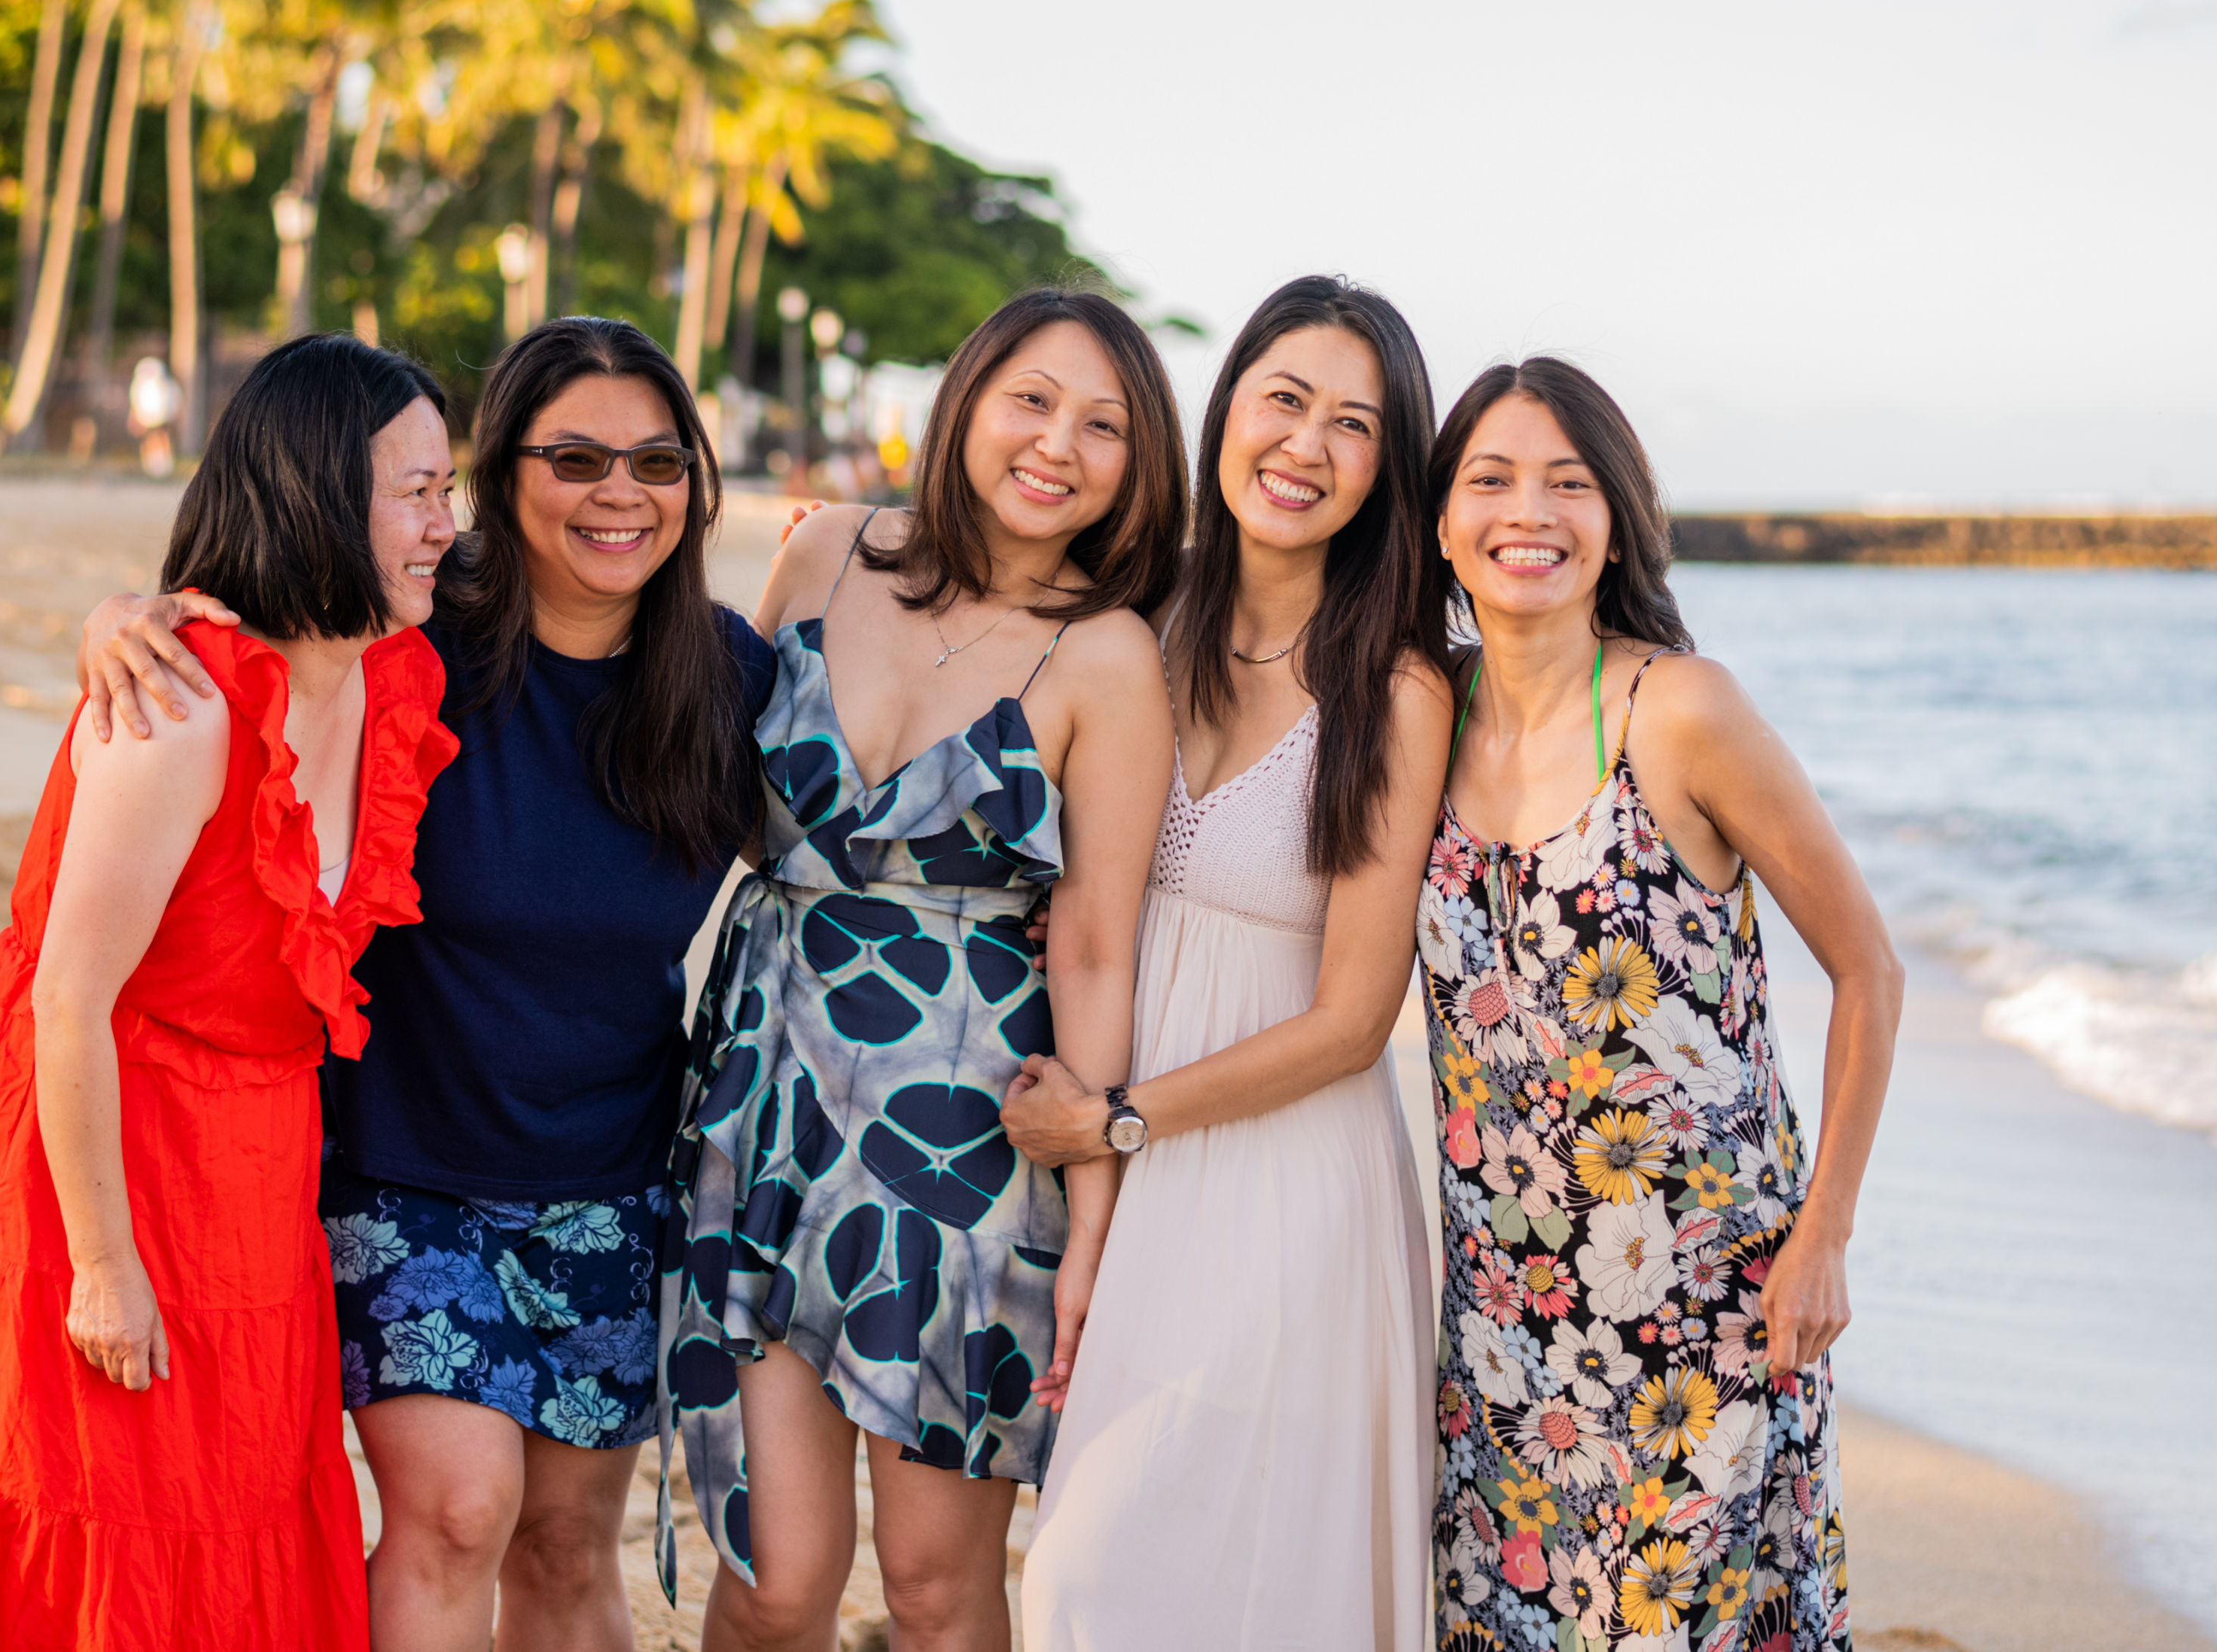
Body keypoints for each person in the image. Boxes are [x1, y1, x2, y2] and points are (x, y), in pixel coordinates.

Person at [77, 318, 775, 1652]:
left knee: (567, 1550)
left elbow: (873, 821)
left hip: (613, 1179)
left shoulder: (726, 679)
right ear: (498, 478)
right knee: (459, 1513)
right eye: (574, 458)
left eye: (657, 461)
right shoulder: (411, 635)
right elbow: (233, 626)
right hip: (404, 1168)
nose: (620, 494)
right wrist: (120, 616)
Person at [0, 333, 462, 1651]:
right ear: (312, 492)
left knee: (239, 1513)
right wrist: (101, 1268)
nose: (447, 525)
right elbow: (65, 1002)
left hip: (253, 1163)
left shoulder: (391, 669)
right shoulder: (178, 705)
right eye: (416, 492)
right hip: (97, 1154)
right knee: (92, 1518)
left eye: (449, 488)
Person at [669, 288, 1183, 1649]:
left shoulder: (1111, 655)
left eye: (1105, 425)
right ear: (966, 400)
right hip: (766, 1098)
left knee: (935, 1586)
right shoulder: (826, 554)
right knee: (773, 1569)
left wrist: (1095, 1206)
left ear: (1141, 469)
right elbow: (692, 760)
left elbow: (1092, 939)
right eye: (1031, 399)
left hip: (967, 1142)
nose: (1057, 444)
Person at [1419, 358, 1900, 1652]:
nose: (1532, 512)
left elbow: (1869, 967)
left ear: (1616, 518)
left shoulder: (1678, 711)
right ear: (1441, 521)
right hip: (1507, 1336)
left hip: (1710, 1320)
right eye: (1493, 480)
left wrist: (1826, 1238)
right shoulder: (1422, 717)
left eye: (1569, 483)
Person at [999, 278, 1452, 1648]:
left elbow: (1357, 1016)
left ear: (1389, 469)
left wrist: (1122, 1121)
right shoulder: (1133, 622)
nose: (1308, 446)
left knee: (1227, 1572)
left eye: (1354, 424)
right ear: (1228, 412)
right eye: (1286, 400)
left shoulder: (1399, 683)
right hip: (1116, 1163)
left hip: (1283, 1183)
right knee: (1091, 1573)